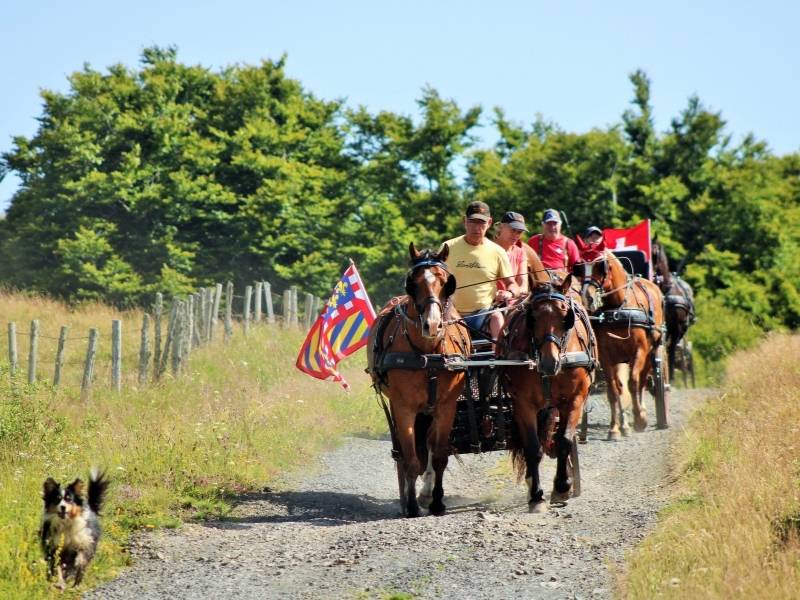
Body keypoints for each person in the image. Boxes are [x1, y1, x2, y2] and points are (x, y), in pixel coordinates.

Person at [443, 201, 520, 341]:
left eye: (481, 223)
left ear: (489, 223)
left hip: (484, 315)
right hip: (450, 313)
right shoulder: (447, 247)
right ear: (464, 221)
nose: (477, 228)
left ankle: (498, 356)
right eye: (472, 222)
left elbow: (512, 284)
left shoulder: (498, 252)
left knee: (497, 317)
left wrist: (509, 292)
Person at [527, 208, 580, 279]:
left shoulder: (569, 243)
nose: (552, 227)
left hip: (562, 283)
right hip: (540, 283)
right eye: (548, 224)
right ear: (543, 225)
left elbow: (578, 270)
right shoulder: (533, 241)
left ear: (560, 225)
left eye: (555, 223)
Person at [493, 211, 529, 300]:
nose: (516, 235)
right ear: (501, 227)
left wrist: (510, 294)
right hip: (488, 304)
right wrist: (495, 295)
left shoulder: (521, 253)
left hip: (512, 305)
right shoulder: (487, 249)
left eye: (519, 232)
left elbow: (523, 286)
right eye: (513, 230)